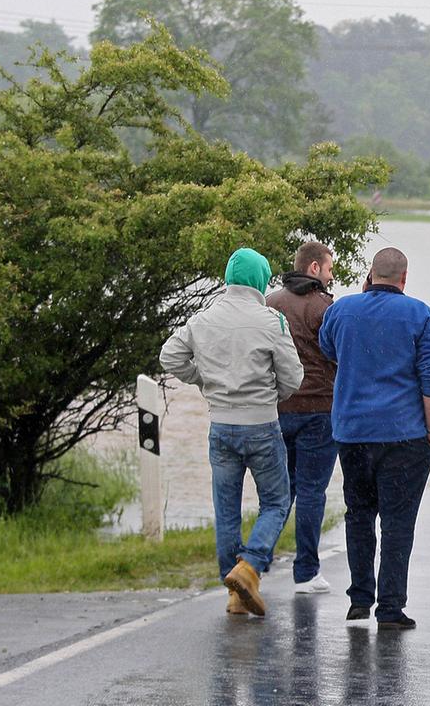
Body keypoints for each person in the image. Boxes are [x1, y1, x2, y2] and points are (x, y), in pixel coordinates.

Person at [160, 247, 302, 617]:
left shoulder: (203, 319)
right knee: (276, 501)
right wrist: (272, 397)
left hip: (221, 426)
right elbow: (294, 377)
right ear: (260, 280)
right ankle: (250, 566)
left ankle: (235, 593)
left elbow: (169, 357)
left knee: (226, 509)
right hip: (261, 426)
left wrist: (203, 380)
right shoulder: (271, 321)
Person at [319, 247, 430, 630]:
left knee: (358, 514)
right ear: (404, 279)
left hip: (352, 432)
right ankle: (390, 608)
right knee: (397, 521)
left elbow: (329, 349)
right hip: (403, 435)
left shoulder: (341, 310)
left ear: (370, 275)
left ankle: (359, 598)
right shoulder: (422, 315)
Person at [266, 241, 339, 594]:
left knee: (281, 491)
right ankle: (306, 572)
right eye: (328, 269)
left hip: (277, 409)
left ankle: (256, 561)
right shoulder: (323, 307)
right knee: (312, 491)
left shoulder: (271, 304)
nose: (330, 275)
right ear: (313, 269)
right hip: (319, 411)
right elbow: (337, 355)